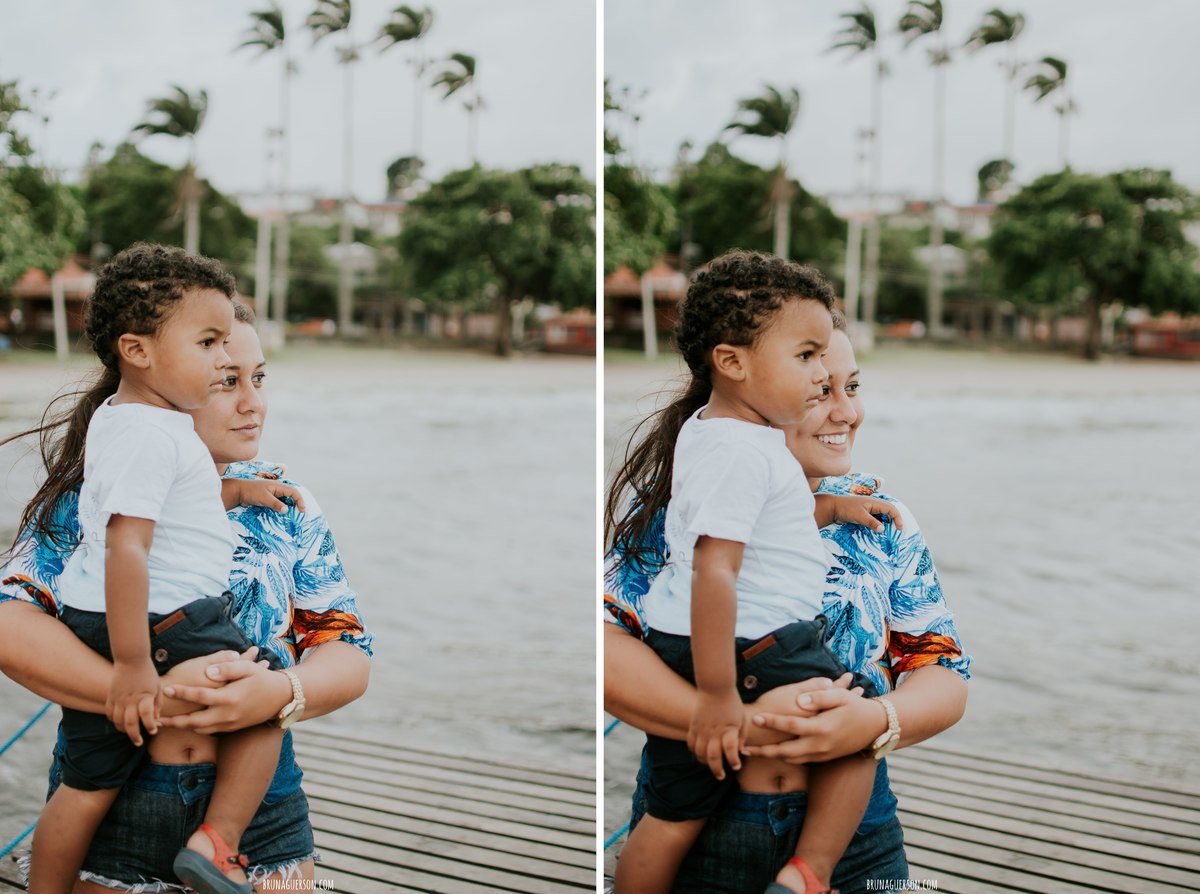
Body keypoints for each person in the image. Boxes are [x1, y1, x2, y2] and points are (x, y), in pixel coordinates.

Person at [1, 288, 372, 892]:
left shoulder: (285, 504)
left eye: (259, 378)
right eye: (227, 381)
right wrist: (162, 699)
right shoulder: (95, 498)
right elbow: (10, 625)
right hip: (117, 798)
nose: (253, 402)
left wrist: (281, 690)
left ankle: (219, 840)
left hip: (260, 812)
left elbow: (348, 650)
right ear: (167, 379)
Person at [605, 299, 971, 894]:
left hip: (857, 840)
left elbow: (943, 671)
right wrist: (748, 727)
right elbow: (605, 650)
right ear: (753, 384)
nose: (846, 411)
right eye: (821, 388)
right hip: (705, 830)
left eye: (852, 386)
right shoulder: (684, 504)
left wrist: (876, 719)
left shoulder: (879, 519)